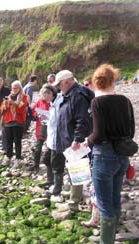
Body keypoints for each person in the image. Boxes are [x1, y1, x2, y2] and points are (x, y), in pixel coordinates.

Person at [83, 64, 135, 244]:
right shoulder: (125, 101)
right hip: (122, 156)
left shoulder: (97, 102)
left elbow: (98, 134)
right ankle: (114, 232)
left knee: (104, 204)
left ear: (96, 82)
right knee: (114, 197)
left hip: (103, 156)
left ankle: (107, 240)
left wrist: (86, 141)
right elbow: (132, 131)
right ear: (113, 79)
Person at [52, 70, 94, 209]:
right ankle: (75, 194)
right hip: (68, 138)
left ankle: (74, 201)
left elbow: (82, 120)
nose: (58, 87)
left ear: (67, 82)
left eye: (59, 84)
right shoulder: (70, 94)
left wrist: (77, 138)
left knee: (77, 169)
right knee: (73, 168)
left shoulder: (78, 96)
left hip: (74, 140)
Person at [0, 80, 28, 168]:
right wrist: (5, 105)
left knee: (17, 141)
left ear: (20, 88)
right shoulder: (7, 97)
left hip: (18, 122)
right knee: (9, 141)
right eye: (13, 88)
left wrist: (13, 103)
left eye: (16, 88)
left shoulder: (23, 97)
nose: (14, 89)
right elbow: (2, 109)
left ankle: (18, 159)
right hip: (8, 121)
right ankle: (8, 157)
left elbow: (21, 109)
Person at [29, 86, 55, 173]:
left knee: (50, 147)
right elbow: (34, 111)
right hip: (41, 126)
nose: (43, 97)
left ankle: (51, 166)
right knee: (38, 146)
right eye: (42, 95)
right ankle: (36, 165)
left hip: (51, 126)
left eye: (44, 95)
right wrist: (37, 115)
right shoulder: (40, 101)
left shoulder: (52, 102)